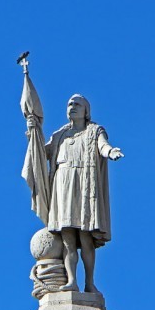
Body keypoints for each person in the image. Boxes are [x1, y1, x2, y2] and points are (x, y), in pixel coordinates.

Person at [44, 94, 123, 293]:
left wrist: (110, 151)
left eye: (77, 104)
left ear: (86, 111)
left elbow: (102, 145)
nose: (72, 106)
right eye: (69, 104)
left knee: (85, 235)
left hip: (85, 185)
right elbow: (41, 152)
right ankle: (72, 280)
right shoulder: (60, 135)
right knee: (68, 237)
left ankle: (89, 282)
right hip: (63, 183)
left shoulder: (94, 131)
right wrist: (33, 132)